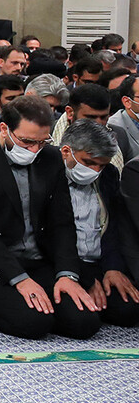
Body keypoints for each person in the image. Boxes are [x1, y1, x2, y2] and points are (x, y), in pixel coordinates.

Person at [0, 95, 102, 340]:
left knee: (85, 323)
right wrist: (19, 279)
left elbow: (62, 222)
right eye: (27, 142)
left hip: (39, 259)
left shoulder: (51, 157)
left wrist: (67, 275)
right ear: (4, 129)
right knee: (34, 322)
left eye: (42, 142)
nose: (34, 149)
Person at [59, 120, 139, 327]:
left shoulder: (108, 175)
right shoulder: (48, 174)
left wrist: (113, 268)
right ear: (67, 151)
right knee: (83, 322)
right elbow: (51, 235)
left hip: (98, 263)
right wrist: (85, 278)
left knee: (129, 310)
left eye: (101, 165)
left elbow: (114, 226)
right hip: (61, 265)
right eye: (88, 163)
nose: (95, 170)